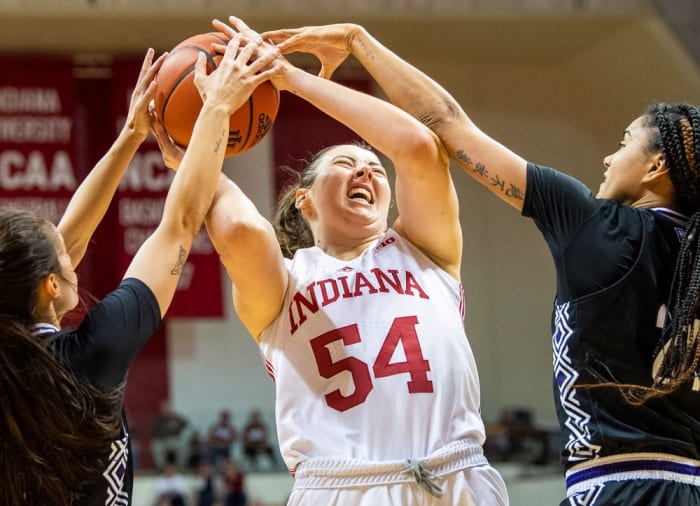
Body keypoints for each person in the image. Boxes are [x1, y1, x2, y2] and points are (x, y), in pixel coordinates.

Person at [262, 22, 700, 505]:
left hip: (615, 483)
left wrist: (353, 43)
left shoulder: (594, 225)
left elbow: (443, 123)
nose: (607, 159)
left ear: (657, 166)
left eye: (624, 143)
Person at [153, 16, 508, 506]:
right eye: (345, 163)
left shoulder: (425, 249)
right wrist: (203, 140)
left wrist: (288, 76)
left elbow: (418, 147)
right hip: (339, 487)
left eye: (372, 166)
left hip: (454, 475)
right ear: (304, 199)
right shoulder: (287, 280)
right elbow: (238, 229)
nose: (365, 167)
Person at [0, 35, 281, 506]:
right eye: (66, 257)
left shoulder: (27, 353)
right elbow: (181, 224)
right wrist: (215, 108)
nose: (75, 251)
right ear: (50, 285)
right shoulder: (93, 353)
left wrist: (132, 134)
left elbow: (64, 242)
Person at [151, 399, 190, 471]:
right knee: (156, 446)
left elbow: (188, 426)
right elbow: (156, 433)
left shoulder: (177, 418)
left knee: (183, 445)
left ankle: (181, 467)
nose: (166, 410)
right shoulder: (159, 420)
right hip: (163, 441)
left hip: (176, 440)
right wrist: (164, 438)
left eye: (167, 408)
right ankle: (162, 468)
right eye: (164, 408)